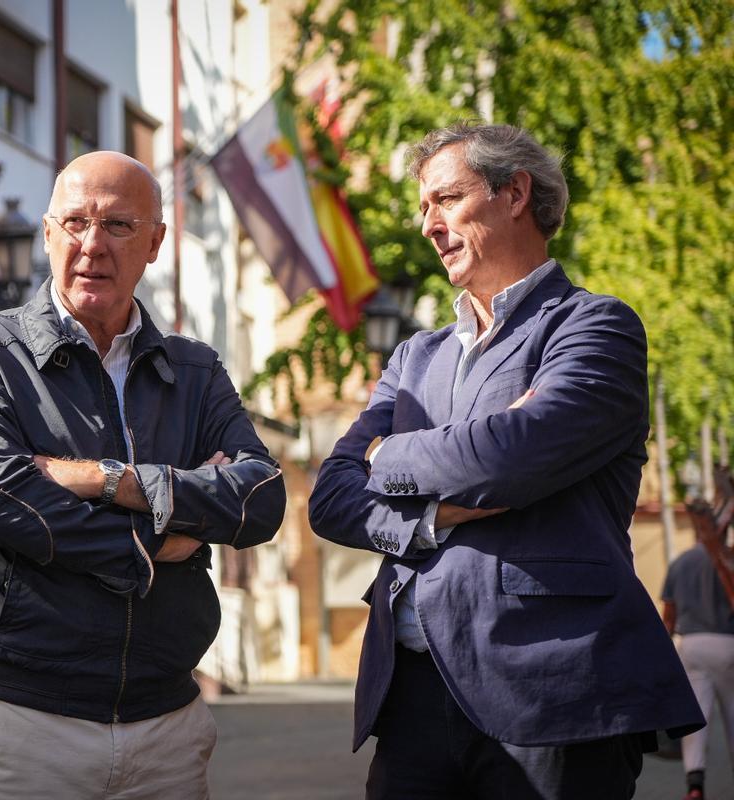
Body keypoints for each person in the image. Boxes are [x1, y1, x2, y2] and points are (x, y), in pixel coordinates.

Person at [308, 122, 704, 799]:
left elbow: (511, 456)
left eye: (447, 198)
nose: (427, 223)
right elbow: (331, 499)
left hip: (551, 690)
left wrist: (387, 454)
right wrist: (429, 517)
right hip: (410, 701)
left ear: (514, 192)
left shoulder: (595, 327)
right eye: (423, 204)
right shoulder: (414, 357)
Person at [0, 150, 286, 798]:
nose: (92, 244)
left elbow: (261, 495)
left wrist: (106, 481)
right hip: (20, 723)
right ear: (47, 234)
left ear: (155, 242)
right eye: (74, 222)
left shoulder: (195, 368)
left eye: (119, 226)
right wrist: (160, 538)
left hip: (168, 727)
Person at [663, 538, 734, 799]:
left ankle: (695, 784)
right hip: (728, 642)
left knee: (696, 718)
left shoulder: (680, 563)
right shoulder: (727, 561)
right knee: (732, 714)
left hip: (691, 645)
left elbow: (668, 616)